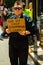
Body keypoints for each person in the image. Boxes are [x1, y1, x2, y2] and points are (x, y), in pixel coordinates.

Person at [6, 1, 36, 65]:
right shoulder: (11, 18)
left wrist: (25, 32)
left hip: (23, 44)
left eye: (19, 8)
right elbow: (7, 30)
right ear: (13, 9)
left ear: (22, 9)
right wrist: (7, 31)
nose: (17, 10)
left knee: (23, 62)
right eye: (15, 8)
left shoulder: (27, 18)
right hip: (12, 44)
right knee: (13, 61)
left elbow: (33, 30)